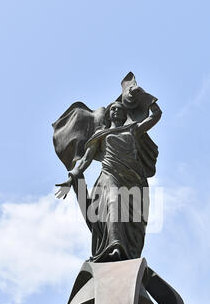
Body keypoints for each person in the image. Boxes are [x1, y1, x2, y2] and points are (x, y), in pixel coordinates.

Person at [56, 97, 162, 262]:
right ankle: (115, 246)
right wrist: (72, 176)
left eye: (119, 108)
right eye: (113, 109)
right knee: (114, 202)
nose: (116, 110)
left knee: (132, 220)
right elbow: (86, 158)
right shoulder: (101, 134)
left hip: (134, 178)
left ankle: (126, 248)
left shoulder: (133, 130)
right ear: (108, 115)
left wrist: (144, 96)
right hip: (109, 175)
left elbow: (155, 115)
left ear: (124, 113)